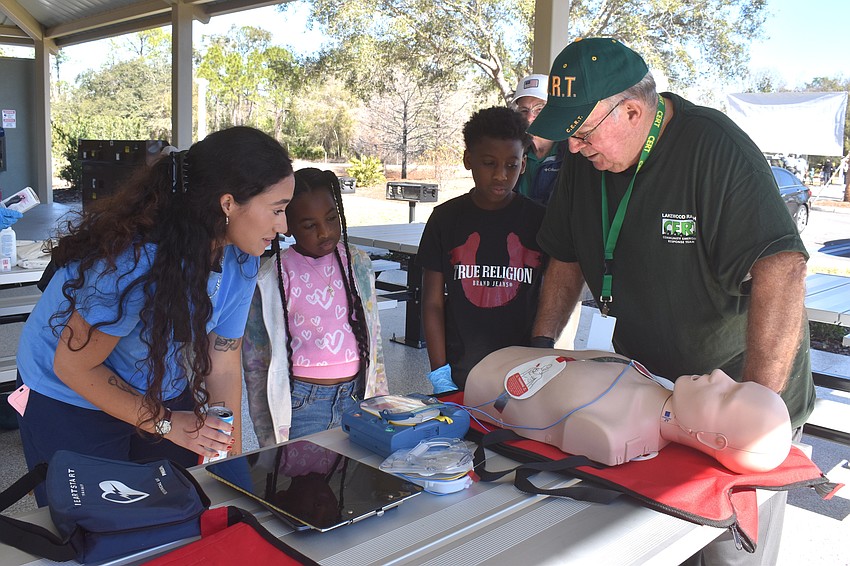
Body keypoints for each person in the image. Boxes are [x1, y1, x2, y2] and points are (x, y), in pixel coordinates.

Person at [527, 37, 814, 565]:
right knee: (653, 545)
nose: (572, 148)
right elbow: (565, 257)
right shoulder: (584, 161)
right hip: (648, 392)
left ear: (633, 111)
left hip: (732, 389)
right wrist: (540, 349)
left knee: (727, 552)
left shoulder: (714, 149)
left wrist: (752, 411)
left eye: (583, 132)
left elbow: (783, 266)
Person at [15, 126, 294, 505]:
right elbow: (75, 367)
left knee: (182, 501)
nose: (284, 227)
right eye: (277, 210)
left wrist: (228, 451)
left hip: (151, 380)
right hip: (69, 391)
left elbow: (223, 360)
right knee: (100, 521)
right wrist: (165, 423)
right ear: (228, 204)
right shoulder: (133, 261)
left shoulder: (242, 258)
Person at [464, 346, 792, 474]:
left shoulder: (611, 432)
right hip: (497, 365)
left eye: (726, 396)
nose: (719, 376)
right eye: (734, 382)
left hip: (484, 382)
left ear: (712, 439)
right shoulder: (649, 379)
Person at [242, 167, 388, 446]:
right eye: (310, 225)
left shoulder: (357, 264)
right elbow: (256, 360)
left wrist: (381, 401)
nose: (325, 232)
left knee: (353, 478)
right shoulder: (272, 277)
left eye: (332, 218)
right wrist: (266, 433)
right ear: (288, 225)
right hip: (303, 403)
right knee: (303, 484)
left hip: (356, 396)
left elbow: (375, 338)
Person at [418, 106, 546, 391]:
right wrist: (440, 373)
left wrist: (540, 359)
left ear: (523, 165)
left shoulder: (539, 221)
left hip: (525, 372)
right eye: (489, 163)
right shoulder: (445, 218)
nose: (501, 175)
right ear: (468, 160)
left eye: (511, 165)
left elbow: (550, 300)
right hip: (461, 371)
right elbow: (432, 303)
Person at [512, 73, 568, 206]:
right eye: (524, 110)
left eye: (539, 109)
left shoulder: (572, 154)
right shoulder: (514, 152)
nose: (529, 117)